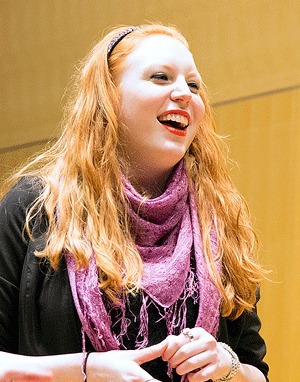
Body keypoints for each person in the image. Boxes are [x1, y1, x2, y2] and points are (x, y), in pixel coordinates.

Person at [0, 24, 269, 382]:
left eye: (193, 85)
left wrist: (226, 365)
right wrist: (84, 370)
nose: (184, 94)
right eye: (161, 77)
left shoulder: (218, 221)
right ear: (109, 98)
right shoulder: (34, 208)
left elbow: (258, 372)